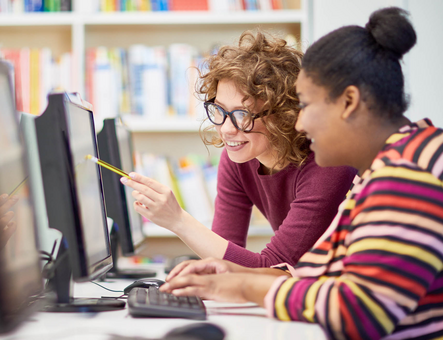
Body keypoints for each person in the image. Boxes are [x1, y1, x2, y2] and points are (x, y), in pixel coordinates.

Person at [160, 7, 443, 339]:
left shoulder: (408, 174)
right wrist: (236, 274)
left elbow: (360, 311)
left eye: (306, 106)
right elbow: (317, 274)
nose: (298, 123)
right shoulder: (383, 170)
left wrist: (243, 286)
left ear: (348, 102)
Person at [121, 30, 356, 268]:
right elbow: (224, 255)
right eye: (220, 110)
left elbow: (273, 267)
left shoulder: (328, 164)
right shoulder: (237, 159)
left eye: (242, 114)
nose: (226, 129)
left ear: (283, 114)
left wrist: (179, 220)